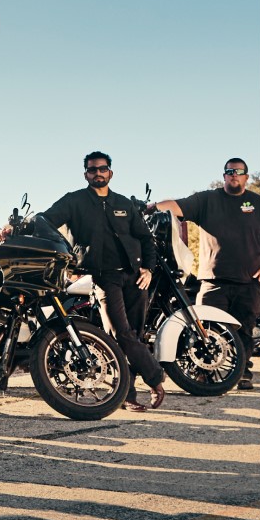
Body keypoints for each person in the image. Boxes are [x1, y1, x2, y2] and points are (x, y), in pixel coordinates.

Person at [38, 151, 166, 411]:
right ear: (85, 174)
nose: (98, 173)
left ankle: (127, 396)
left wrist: (149, 270)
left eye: (102, 168)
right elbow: (45, 220)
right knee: (121, 332)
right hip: (104, 278)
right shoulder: (74, 201)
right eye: (92, 169)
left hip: (134, 276)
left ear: (111, 172)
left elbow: (145, 239)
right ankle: (155, 379)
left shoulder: (123, 203)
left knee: (134, 335)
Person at [150, 158, 260, 391]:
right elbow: (177, 205)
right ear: (224, 176)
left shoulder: (258, 203)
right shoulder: (208, 200)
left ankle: (241, 372)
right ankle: (203, 373)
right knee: (207, 330)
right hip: (213, 280)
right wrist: (152, 207)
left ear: (246, 177)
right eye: (230, 171)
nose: (234, 175)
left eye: (239, 172)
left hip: (249, 281)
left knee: (245, 328)